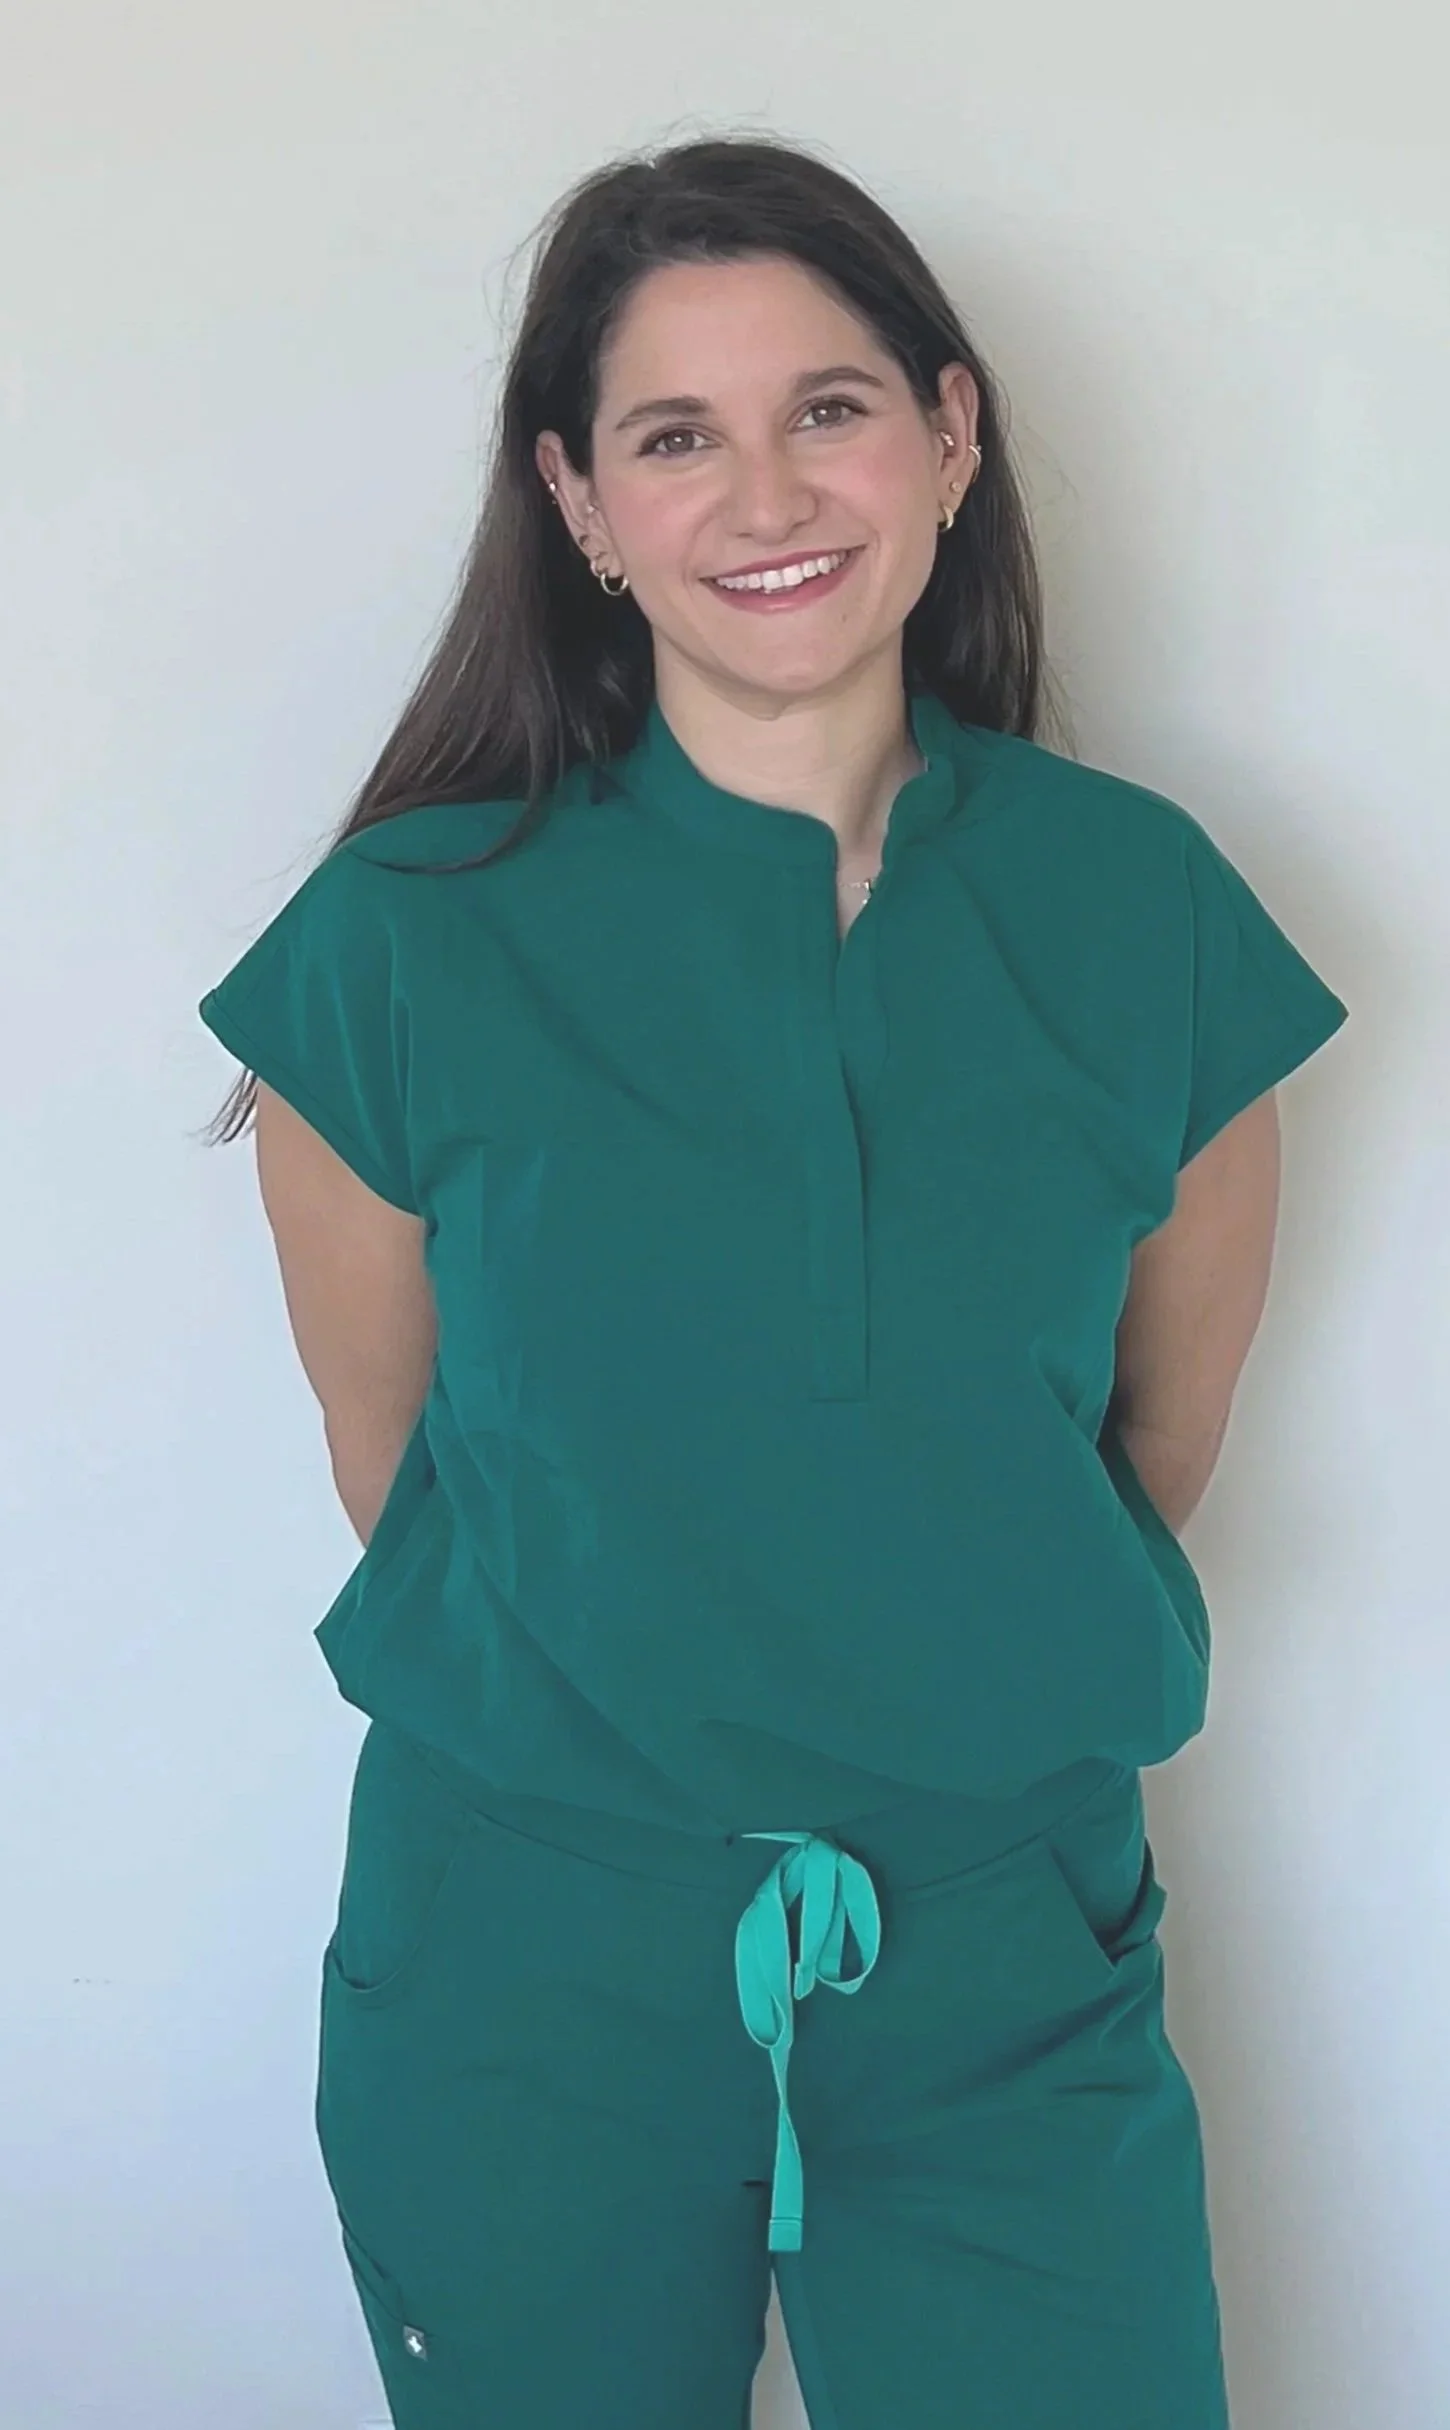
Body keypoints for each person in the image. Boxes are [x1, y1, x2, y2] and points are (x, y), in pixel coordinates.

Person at [198, 133, 1349, 2430]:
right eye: (670, 434)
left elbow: (1144, 1446)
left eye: (824, 406)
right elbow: (393, 1452)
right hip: (530, 1958)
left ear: (947, 433)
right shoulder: (399, 947)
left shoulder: (1151, 922)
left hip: (1008, 1959)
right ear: (581, 503)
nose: (761, 490)